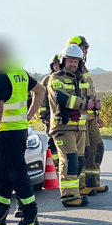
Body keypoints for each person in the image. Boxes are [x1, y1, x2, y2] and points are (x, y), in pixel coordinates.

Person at [0, 56, 46, 225]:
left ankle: (30, 218)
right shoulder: (20, 73)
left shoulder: (1, 76)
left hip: (5, 132)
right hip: (19, 131)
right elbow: (40, 91)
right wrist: (28, 115)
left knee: (17, 175)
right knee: (4, 176)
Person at [46, 44, 91, 207]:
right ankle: (69, 197)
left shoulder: (81, 79)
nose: (73, 64)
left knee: (79, 160)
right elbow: (62, 98)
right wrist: (86, 103)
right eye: (70, 61)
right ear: (64, 61)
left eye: (76, 62)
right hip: (62, 126)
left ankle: (75, 193)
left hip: (79, 127)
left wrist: (94, 105)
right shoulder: (55, 78)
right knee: (70, 160)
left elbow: (89, 97)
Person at [67, 35, 109, 196]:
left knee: (97, 148)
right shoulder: (70, 69)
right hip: (79, 117)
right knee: (82, 151)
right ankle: (81, 185)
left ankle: (93, 183)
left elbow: (88, 92)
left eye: (85, 49)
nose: (85, 52)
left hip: (91, 116)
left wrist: (96, 114)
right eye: (83, 49)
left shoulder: (83, 69)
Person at [39, 54, 62, 190]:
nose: (57, 67)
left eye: (58, 64)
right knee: (52, 141)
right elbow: (42, 99)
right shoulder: (47, 80)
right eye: (54, 65)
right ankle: (54, 163)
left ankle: (61, 163)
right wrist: (43, 114)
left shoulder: (67, 78)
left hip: (64, 117)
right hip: (51, 117)